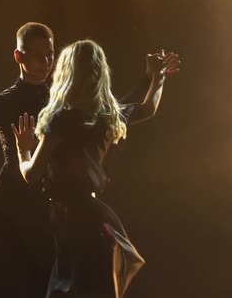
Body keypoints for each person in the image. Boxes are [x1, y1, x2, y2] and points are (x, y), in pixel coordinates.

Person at [0, 23, 152, 297]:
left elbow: (114, 111)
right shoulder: (2, 103)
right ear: (19, 57)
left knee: (51, 288)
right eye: (37, 55)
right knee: (10, 288)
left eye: (50, 54)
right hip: (13, 211)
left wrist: (149, 80)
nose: (46, 62)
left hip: (51, 210)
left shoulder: (67, 100)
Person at [11, 39, 181, 298]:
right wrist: (157, 78)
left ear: (65, 74)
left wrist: (23, 149)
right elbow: (147, 109)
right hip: (94, 221)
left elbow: (31, 174)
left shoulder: (60, 119)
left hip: (72, 223)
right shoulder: (105, 116)